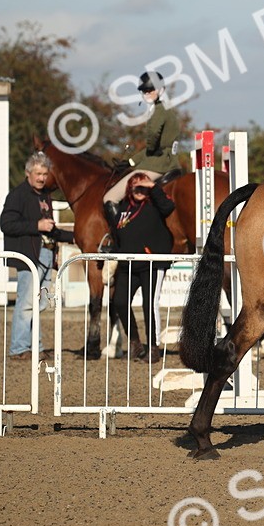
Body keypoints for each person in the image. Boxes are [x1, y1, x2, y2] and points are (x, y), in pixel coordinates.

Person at [1, 151, 74, 361]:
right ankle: (19, 348)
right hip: (28, 257)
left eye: (44, 173)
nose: (42, 177)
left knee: (39, 304)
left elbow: (50, 229)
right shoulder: (18, 195)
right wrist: (36, 225)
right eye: (38, 173)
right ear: (28, 173)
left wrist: (75, 236)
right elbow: (5, 223)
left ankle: (35, 347)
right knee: (26, 303)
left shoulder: (44, 196)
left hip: (45, 256)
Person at [102, 70, 181, 242]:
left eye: (150, 90)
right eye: (144, 91)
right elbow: (153, 148)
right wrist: (130, 161)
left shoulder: (158, 111)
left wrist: (149, 150)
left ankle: (119, 239)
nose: (147, 94)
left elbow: (152, 141)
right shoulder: (168, 110)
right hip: (169, 161)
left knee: (110, 197)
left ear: (160, 90)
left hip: (158, 165)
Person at [106, 170, 176, 362]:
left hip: (151, 263)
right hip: (128, 265)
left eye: (142, 186)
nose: (139, 190)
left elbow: (168, 207)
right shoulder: (122, 208)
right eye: (135, 186)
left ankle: (153, 347)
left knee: (149, 305)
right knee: (119, 301)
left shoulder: (155, 205)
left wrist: (152, 187)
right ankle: (136, 342)